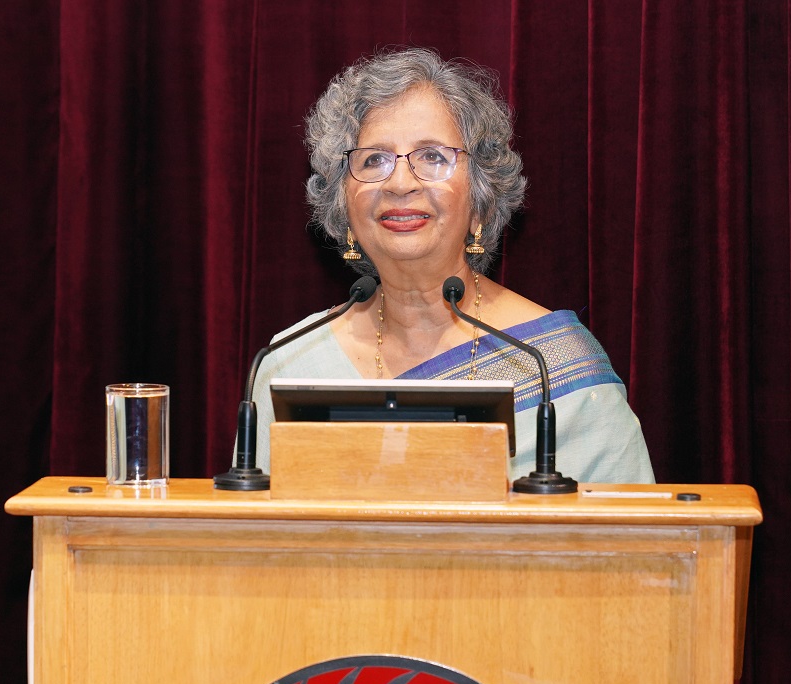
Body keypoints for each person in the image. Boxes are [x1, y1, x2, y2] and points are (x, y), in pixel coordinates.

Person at [253, 48, 654, 484]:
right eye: (373, 159)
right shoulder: (290, 362)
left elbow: (631, 545)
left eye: (432, 157)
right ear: (343, 205)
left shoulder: (550, 365)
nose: (401, 183)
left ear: (480, 199)